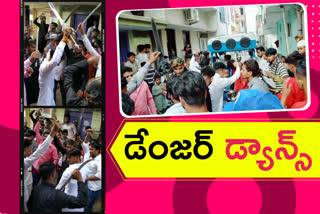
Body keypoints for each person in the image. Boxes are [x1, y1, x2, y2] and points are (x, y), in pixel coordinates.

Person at [24, 120, 60, 212]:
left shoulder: (53, 148)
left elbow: (55, 159)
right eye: (29, 149)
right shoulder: (24, 162)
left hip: (41, 170)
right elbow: (40, 150)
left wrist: (51, 167)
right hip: (26, 188)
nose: (31, 151)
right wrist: (54, 130)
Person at [37, 28, 72, 106]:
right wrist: (64, 39)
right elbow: (55, 60)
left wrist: (65, 37)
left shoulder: (48, 59)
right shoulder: (45, 67)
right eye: (59, 61)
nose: (59, 63)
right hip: (45, 101)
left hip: (50, 98)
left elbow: (53, 54)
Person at [56, 134, 90, 212]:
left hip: (68, 205)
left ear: (76, 157)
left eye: (69, 157)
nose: (67, 160)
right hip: (80, 206)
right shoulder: (86, 165)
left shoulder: (68, 170)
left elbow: (59, 188)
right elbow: (87, 151)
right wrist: (80, 140)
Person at [85, 141, 102, 212]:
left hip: (94, 189)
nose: (89, 151)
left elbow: (99, 176)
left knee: (88, 206)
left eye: (91, 149)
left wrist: (86, 179)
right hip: (89, 186)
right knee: (87, 206)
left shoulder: (100, 161)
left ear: (97, 150)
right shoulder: (91, 157)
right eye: (89, 149)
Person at [25, 40, 41, 105]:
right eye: (32, 47)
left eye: (35, 47)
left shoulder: (37, 57)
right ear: (28, 47)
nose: (34, 49)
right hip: (27, 81)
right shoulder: (25, 57)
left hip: (35, 81)